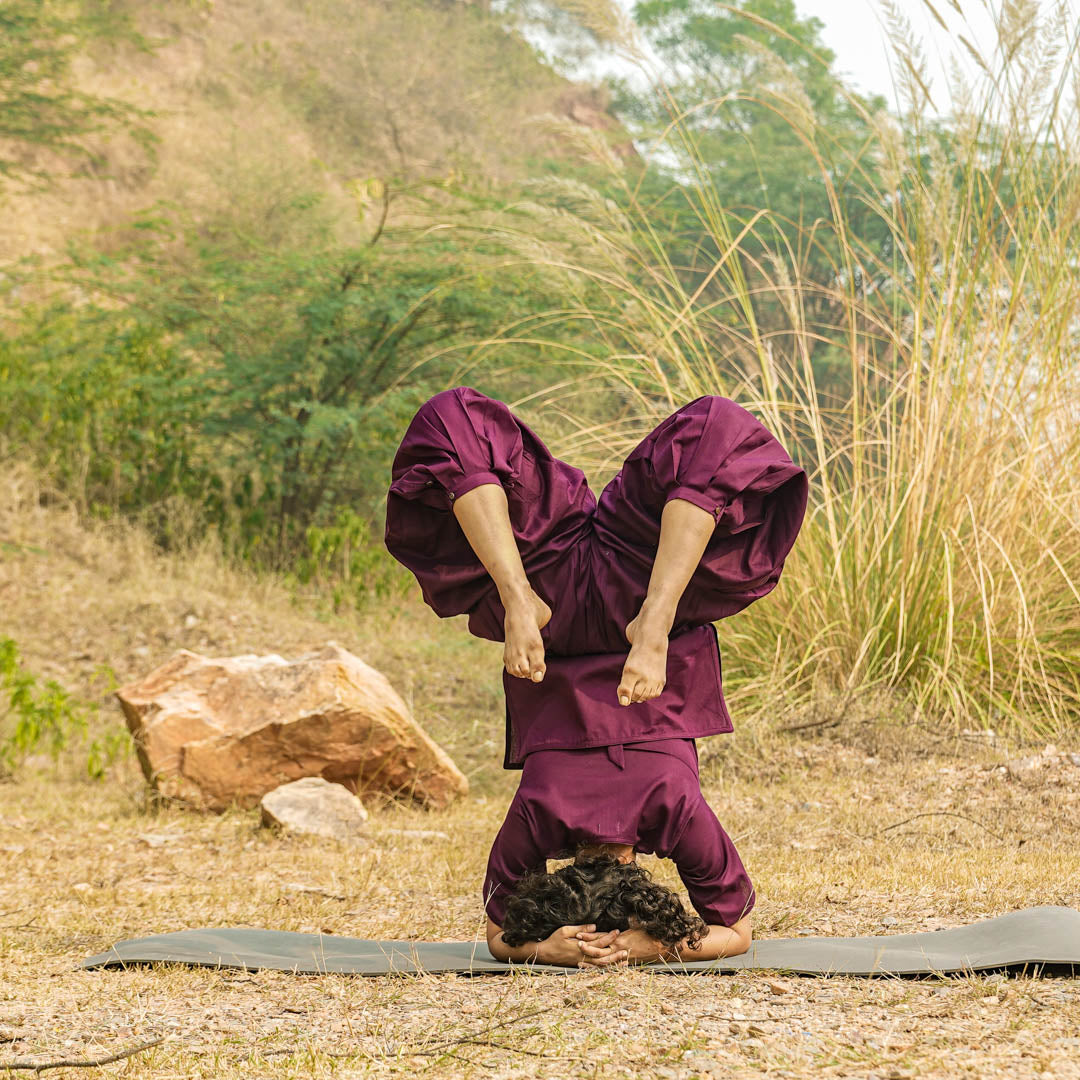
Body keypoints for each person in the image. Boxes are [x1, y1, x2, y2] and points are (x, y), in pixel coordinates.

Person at [384, 386, 808, 967]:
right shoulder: (538, 816)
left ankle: (584, 610)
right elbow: (497, 936)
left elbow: (733, 932)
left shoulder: (674, 812)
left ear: (637, 869)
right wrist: (544, 947)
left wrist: (646, 946)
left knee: (716, 429)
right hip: (566, 592)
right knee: (453, 420)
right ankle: (564, 606)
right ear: (564, 872)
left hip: (619, 586)